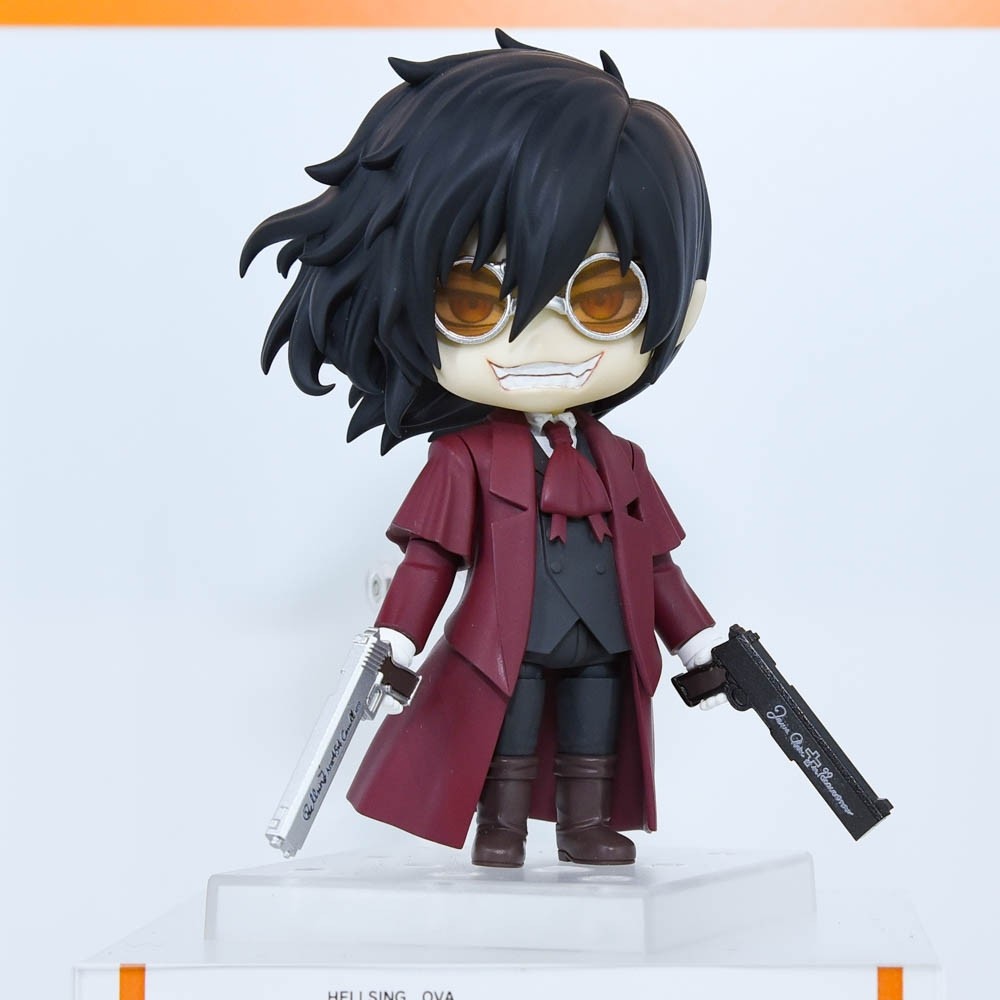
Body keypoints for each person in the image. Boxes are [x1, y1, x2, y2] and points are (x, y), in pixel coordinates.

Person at [241, 30, 720, 867]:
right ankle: (499, 825)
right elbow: (430, 560)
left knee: (593, 731)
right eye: (473, 301)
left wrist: (699, 640)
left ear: (679, 305)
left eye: (602, 298)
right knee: (508, 729)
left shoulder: (622, 463)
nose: (540, 340)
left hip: (606, 643)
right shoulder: (464, 460)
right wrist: (396, 638)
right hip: (506, 645)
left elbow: (656, 568)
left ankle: (584, 824)